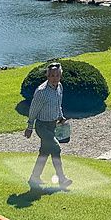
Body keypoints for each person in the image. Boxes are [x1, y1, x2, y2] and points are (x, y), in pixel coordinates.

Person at [24, 62, 72, 190]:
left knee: (44, 152)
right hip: (42, 127)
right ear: (47, 75)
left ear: (60, 75)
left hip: (52, 126)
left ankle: (34, 177)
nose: (54, 77)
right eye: (51, 75)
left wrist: (61, 117)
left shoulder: (59, 87)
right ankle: (62, 179)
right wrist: (29, 127)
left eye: (57, 75)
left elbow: (58, 104)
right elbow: (33, 110)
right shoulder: (41, 91)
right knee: (56, 148)